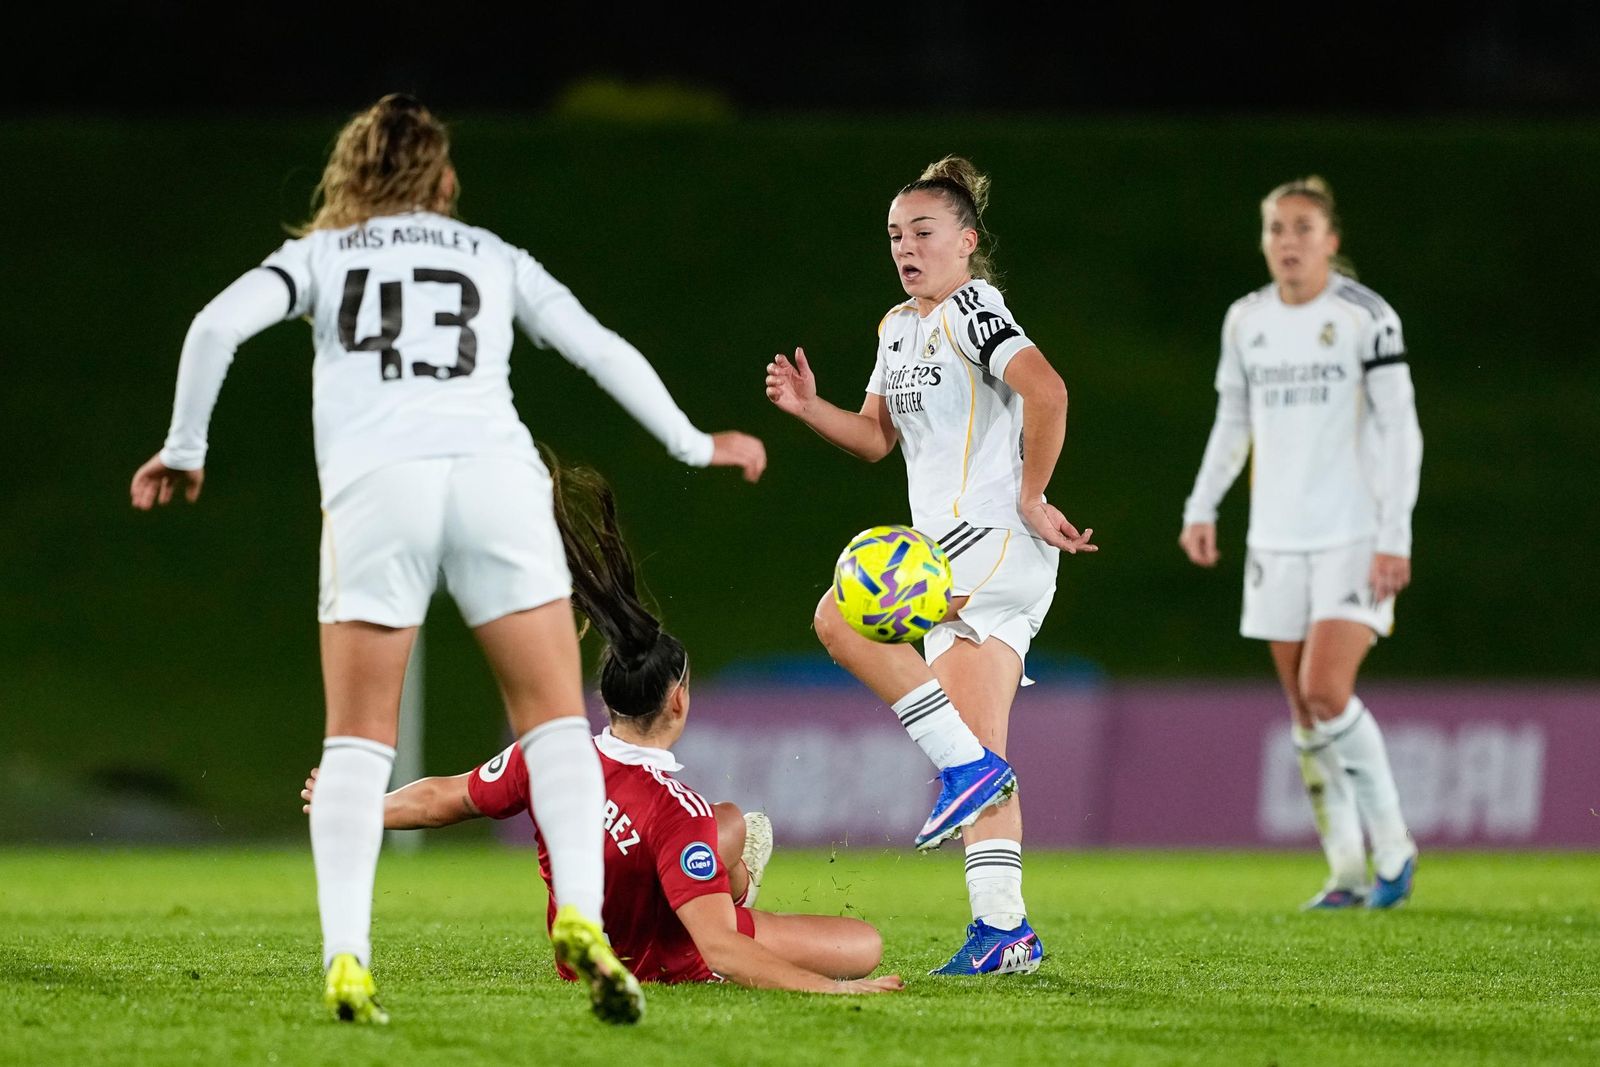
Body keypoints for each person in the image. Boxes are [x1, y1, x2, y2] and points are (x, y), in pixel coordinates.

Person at [129, 93, 767, 1024]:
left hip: (376, 488)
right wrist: (690, 441)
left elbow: (213, 327)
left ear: (353, 169)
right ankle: (581, 918)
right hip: (495, 481)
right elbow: (597, 346)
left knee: (356, 744)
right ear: (440, 175)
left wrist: (186, 448)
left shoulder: (321, 254)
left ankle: (348, 959)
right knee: (554, 725)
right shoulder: (489, 255)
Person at [301, 462, 902, 994]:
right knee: (862, 943)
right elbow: (720, 949)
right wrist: (835, 991)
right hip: (672, 959)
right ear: (678, 702)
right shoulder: (677, 810)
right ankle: (736, 888)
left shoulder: (548, 756)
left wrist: (359, 807)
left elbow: (447, 798)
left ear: (606, 697)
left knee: (730, 823)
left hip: (581, 959)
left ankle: (732, 878)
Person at [764, 156, 1095, 975]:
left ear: (967, 242)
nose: (905, 248)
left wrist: (1031, 493)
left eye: (923, 232)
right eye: (894, 236)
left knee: (839, 616)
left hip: (990, 539)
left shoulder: (973, 310)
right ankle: (1004, 930)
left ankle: (968, 775)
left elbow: (1049, 391)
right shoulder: (897, 327)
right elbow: (877, 438)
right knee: (976, 744)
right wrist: (809, 407)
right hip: (959, 552)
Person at [1179, 176, 1423, 910]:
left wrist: (1395, 533)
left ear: (1330, 240)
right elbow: (1233, 419)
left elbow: (1400, 430)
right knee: (1303, 710)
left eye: (1304, 228)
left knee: (1326, 689)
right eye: (1277, 228)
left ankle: (1394, 847)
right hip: (1275, 540)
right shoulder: (1245, 319)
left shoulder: (1366, 317)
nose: (1289, 241)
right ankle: (1346, 871)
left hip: (1353, 534)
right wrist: (1202, 504)